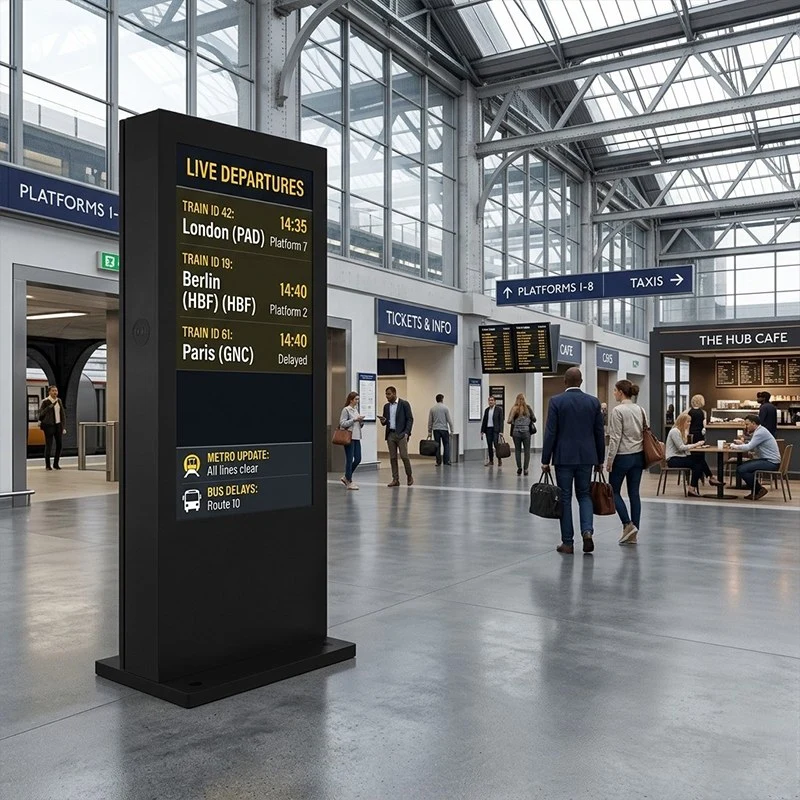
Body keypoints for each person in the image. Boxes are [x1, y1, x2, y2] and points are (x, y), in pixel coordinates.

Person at [541, 367, 605, 555]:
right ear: (581, 381)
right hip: (587, 457)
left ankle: (567, 543)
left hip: (563, 457)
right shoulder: (593, 402)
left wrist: (546, 459)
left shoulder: (556, 401)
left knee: (566, 498)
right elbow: (599, 433)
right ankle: (587, 532)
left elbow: (550, 432)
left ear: (565, 382)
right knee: (584, 494)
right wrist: (599, 459)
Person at [605, 380, 644, 545]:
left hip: (622, 456)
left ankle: (627, 524)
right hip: (639, 455)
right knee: (634, 493)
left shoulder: (618, 410)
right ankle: (634, 531)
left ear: (621, 392)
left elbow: (615, 437)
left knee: (613, 491)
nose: (614, 393)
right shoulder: (640, 409)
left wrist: (609, 459)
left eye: (614, 390)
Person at [665, 413, 721, 498]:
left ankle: (707, 479)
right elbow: (681, 447)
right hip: (673, 459)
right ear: (682, 422)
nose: (689, 423)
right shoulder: (675, 431)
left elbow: (684, 448)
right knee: (697, 464)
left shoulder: (681, 431)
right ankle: (708, 479)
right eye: (688, 422)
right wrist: (696, 444)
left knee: (699, 459)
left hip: (679, 457)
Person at [731, 414, 781, 501]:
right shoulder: (760, 431)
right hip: (769, 461)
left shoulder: (760, 432)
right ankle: (756, 490)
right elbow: (751, 446)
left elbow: (748, 448)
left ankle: (758, 490)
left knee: (741, 469)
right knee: (743, 468)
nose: (746, 427)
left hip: (771, 462)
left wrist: (733, 446)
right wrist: (743, 444)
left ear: (753, 423)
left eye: (747, 424)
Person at [379, 386, 414, 487]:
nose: (387, 396)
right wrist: (383, 421)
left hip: (401, 434)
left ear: (394, 393)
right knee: (393, 458)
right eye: (386, 394)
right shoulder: (386, 406)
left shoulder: (404, 404)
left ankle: (409, 475)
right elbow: (385, 422)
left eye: (389, 394)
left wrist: (407, 432)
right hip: (391, 434)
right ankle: (395, 479)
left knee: (404, 456)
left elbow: (410, 419)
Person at [339, 391, 365, 490]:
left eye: (358, 399)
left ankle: (346, 476)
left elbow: (358, 425)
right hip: (349, 437)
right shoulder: (346, 410)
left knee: (358, 458)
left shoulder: (355, 410)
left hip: (357, 437)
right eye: (356, 399)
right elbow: (342, 423)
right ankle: (349, 481)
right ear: (351, 400)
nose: (357, 401)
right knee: (349, 459)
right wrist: (354, 420)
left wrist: (361, 422)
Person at [38, 386, 67, 471]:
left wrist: (63, 425)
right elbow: (41, 413)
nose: (55, 392)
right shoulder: (45, 401)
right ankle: (47, 465)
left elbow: (62, 414)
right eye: (53, 391)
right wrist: (50, 406)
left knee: (59, 445)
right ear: (49, 392)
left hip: (58, 425)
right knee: (49, 445)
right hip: (48, 425)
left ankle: (56, 464)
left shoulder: (59, 401)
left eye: (56, 391)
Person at [507, 393, 535, 476]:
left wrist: (515, 420)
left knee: (517, 450)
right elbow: (534, 419)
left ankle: (519, 468)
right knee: (527, 451)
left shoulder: (514, 408)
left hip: (516, 432)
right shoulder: (528, 408)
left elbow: (509, 421)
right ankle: (526, 469)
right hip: (526, 432)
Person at [428, 394, 454, 466]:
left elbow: (430, 421)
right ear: (442, 399)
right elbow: (449, 420)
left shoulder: (432, 409)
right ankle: (446, 461)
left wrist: (429, 431)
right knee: (446, 445)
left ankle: (438, 461)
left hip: (436, 429)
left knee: (437, 445)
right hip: (444, 429)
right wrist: (452, 430)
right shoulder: (445, 408)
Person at [480, 395, 504, 466]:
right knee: (489, 445)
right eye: (489, 400)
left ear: (494, 401)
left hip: (495, 430)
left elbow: (501, 421)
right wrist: (482, 431)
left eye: (492, 400)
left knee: (496, 445)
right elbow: (484, 421)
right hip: (488, 429)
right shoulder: (487, 410)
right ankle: (491, 460)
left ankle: (499, 459)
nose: (490, 401)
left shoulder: (499, 410)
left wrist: (501, 431)